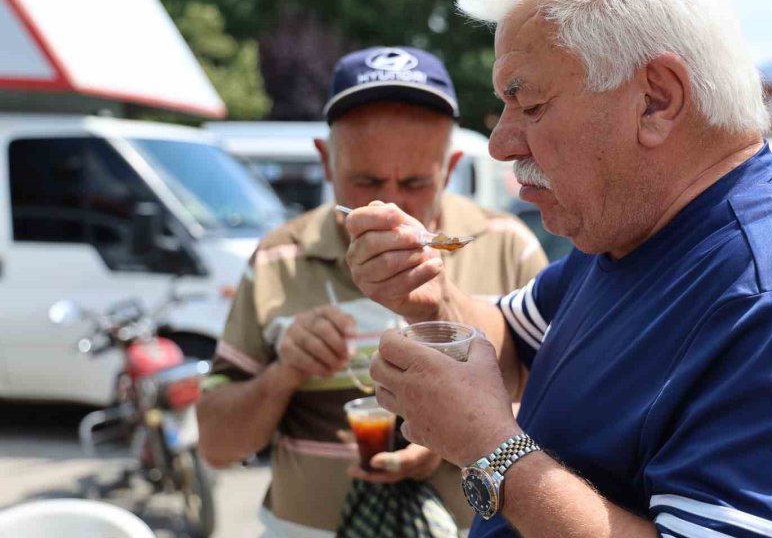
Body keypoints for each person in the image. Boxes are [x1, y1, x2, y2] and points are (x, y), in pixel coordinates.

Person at [344, 0, 772, 537]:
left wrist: (489, 449)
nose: (502, 143)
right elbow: (513, 341)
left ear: (657, 99)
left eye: (528, 103)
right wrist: (429, 297)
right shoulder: (631, 228)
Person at [197, 45, 548, 536]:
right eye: (365, 182)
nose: (390, 206)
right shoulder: (279, 257)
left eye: (415, 183)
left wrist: (456, 437)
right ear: (326, 162)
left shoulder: (506, 245)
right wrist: (285, 373)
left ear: (448, 170)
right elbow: (216, 445)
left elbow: (558, 414)